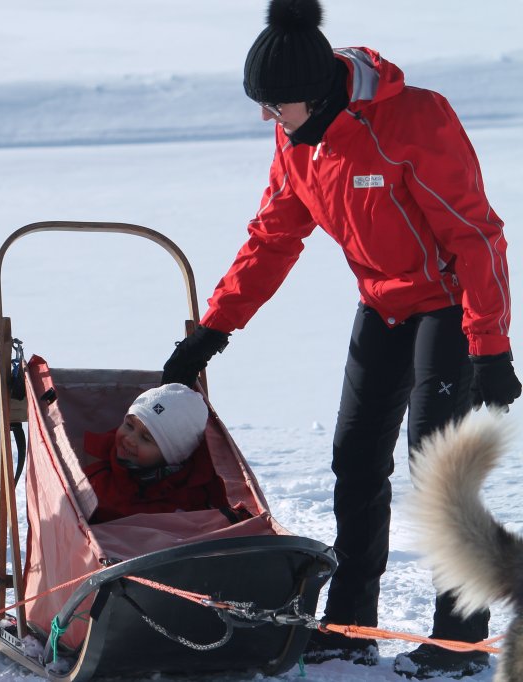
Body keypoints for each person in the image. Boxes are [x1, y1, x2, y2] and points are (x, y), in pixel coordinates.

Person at [161, 0, 520, 678]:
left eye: (276, 106)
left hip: (445, 309)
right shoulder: (301, 140)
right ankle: (350, 624)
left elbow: (476, 236)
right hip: (380, 307)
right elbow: (273, 237)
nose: (268, 119)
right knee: (355, 460)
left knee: (434, 472)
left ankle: (460, 638)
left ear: (318, 90)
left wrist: (489, 346)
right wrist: (213, 331)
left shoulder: (415, 119)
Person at [83, 383, 228, 523]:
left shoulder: (200, 494)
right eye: (129, 425)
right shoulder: (96, 481)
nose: (129, 439)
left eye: (146, 438)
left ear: (172, 456)